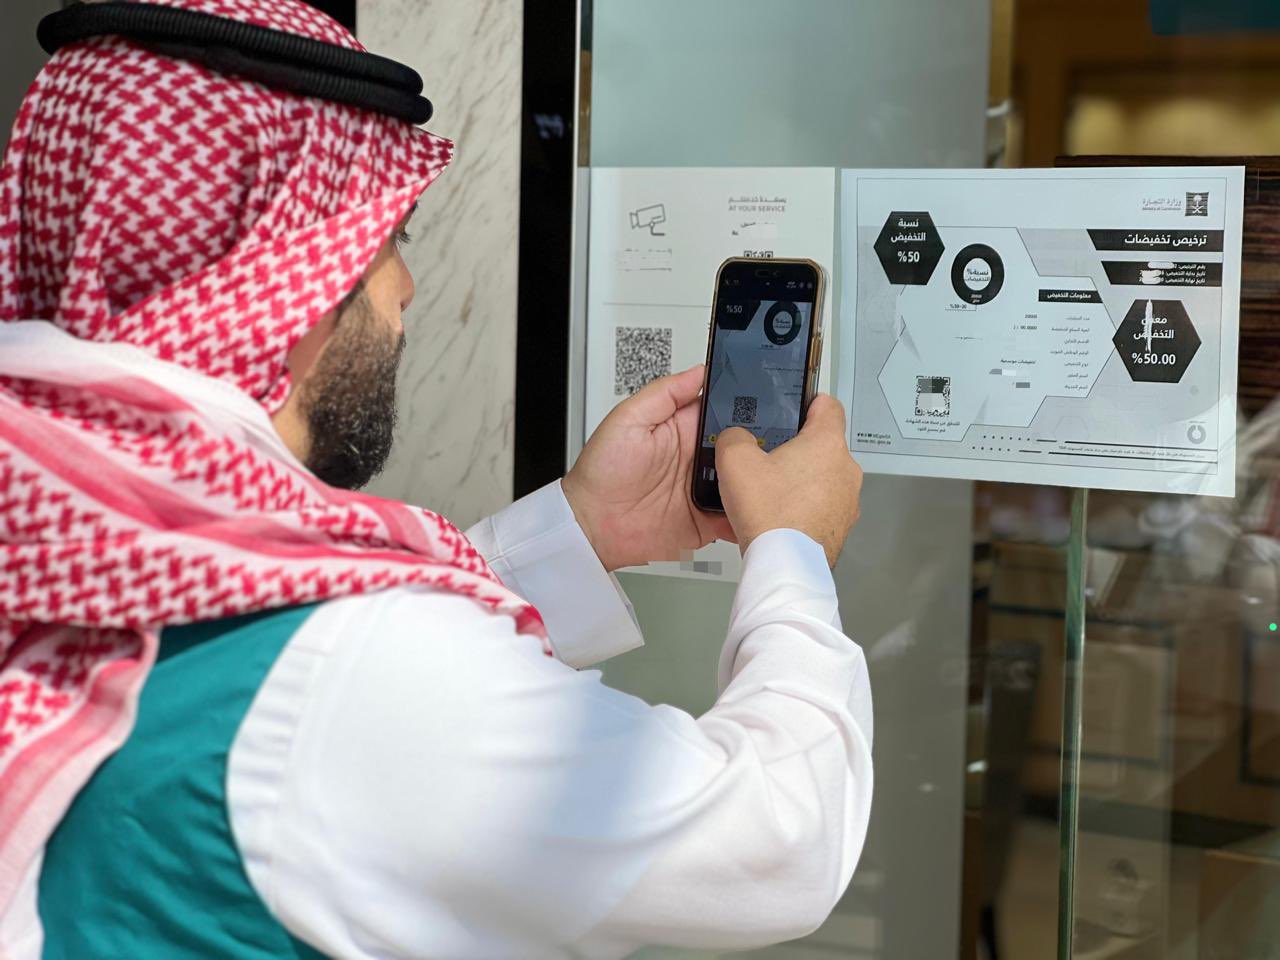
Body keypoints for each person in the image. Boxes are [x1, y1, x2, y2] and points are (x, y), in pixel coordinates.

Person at [0, 1, 872, 957]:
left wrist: (585, 530)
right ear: (293, 276)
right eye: (385, 242)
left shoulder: (53, 527)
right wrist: (794, 551)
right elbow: (776, 837)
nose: (405, 288)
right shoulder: (356, 678)